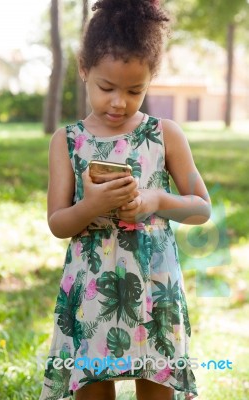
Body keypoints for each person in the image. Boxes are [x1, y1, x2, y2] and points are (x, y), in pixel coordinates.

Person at [39, 0, 211, 399]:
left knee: (156, 386)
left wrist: (156, 200)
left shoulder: (165, 134)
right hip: (93, 288)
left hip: (153, 285)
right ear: (84, 70)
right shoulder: (67, 142)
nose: (119, 101)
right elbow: (57, 223)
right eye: (107, 87)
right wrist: (92, 206)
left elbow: (201, 208)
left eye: (135, 90)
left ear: (151, 79)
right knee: (94, 388)